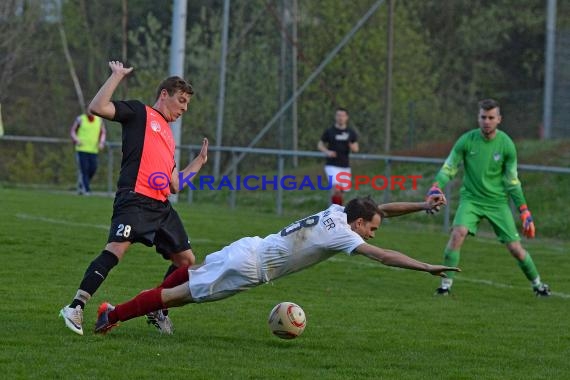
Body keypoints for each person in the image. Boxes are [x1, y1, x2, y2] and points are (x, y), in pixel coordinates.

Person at [92, 195, 460, 334]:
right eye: (372, 229)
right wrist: (425, 267)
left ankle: (122, 312)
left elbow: (384, 209)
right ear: (359, 224)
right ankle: (111, 315)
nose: (374, 235)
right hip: (252, 269)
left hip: (251, 246)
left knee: (188, 278)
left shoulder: (337, 211)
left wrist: (422, 206)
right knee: (176, 296)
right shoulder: (346, 236)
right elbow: (384, 256)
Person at [59, 60, 209, 336]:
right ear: (164, 94)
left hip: (161, 207)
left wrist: (198, 163)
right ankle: (75, 306)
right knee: (115, 250)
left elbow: (175, 185)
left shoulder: (168, 135)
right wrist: (116, 76)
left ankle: (158, 308)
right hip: (135, 199)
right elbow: (97, 107)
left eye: (187, 103)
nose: (184, 108)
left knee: (186, 262)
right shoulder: (140, 113)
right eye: (181, 100)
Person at [428, 98, 550, 297]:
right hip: (471, 200)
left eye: (491, 117)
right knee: (457, 234)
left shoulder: (507, 145)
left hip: (497, 203)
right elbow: (449, 168)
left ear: (499, 119)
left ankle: (538, 285)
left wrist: (524, 211)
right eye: (483, 117)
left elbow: (512, 182)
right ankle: (445, 286)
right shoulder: (467, 140)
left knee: (516, 249)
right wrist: (435, 187)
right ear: (478, 118)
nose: (487, 121)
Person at [317, 107, 359, 206]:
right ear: (335, 117)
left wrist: (352, 147)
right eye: (338, 115)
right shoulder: (330, 131)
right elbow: (320, 145)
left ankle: (338, 211)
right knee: (337, 188)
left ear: (347, 117)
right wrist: (327, 152)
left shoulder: (350, 132)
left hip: (345, 165)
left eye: (343, 115)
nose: (340, 118)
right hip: (331, 165)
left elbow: (356, 148)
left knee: (341, 192)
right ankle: (335, 212)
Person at [70, 111, 106, 195]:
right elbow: (72, 131)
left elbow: (103, 132)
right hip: (81, 149)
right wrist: (76, 140)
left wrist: (101, 142)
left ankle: (82, 183)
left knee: (93, 168)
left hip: (93, 150)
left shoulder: (99, 120)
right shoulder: (80, 119)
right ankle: (86, 190)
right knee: (84, 169)